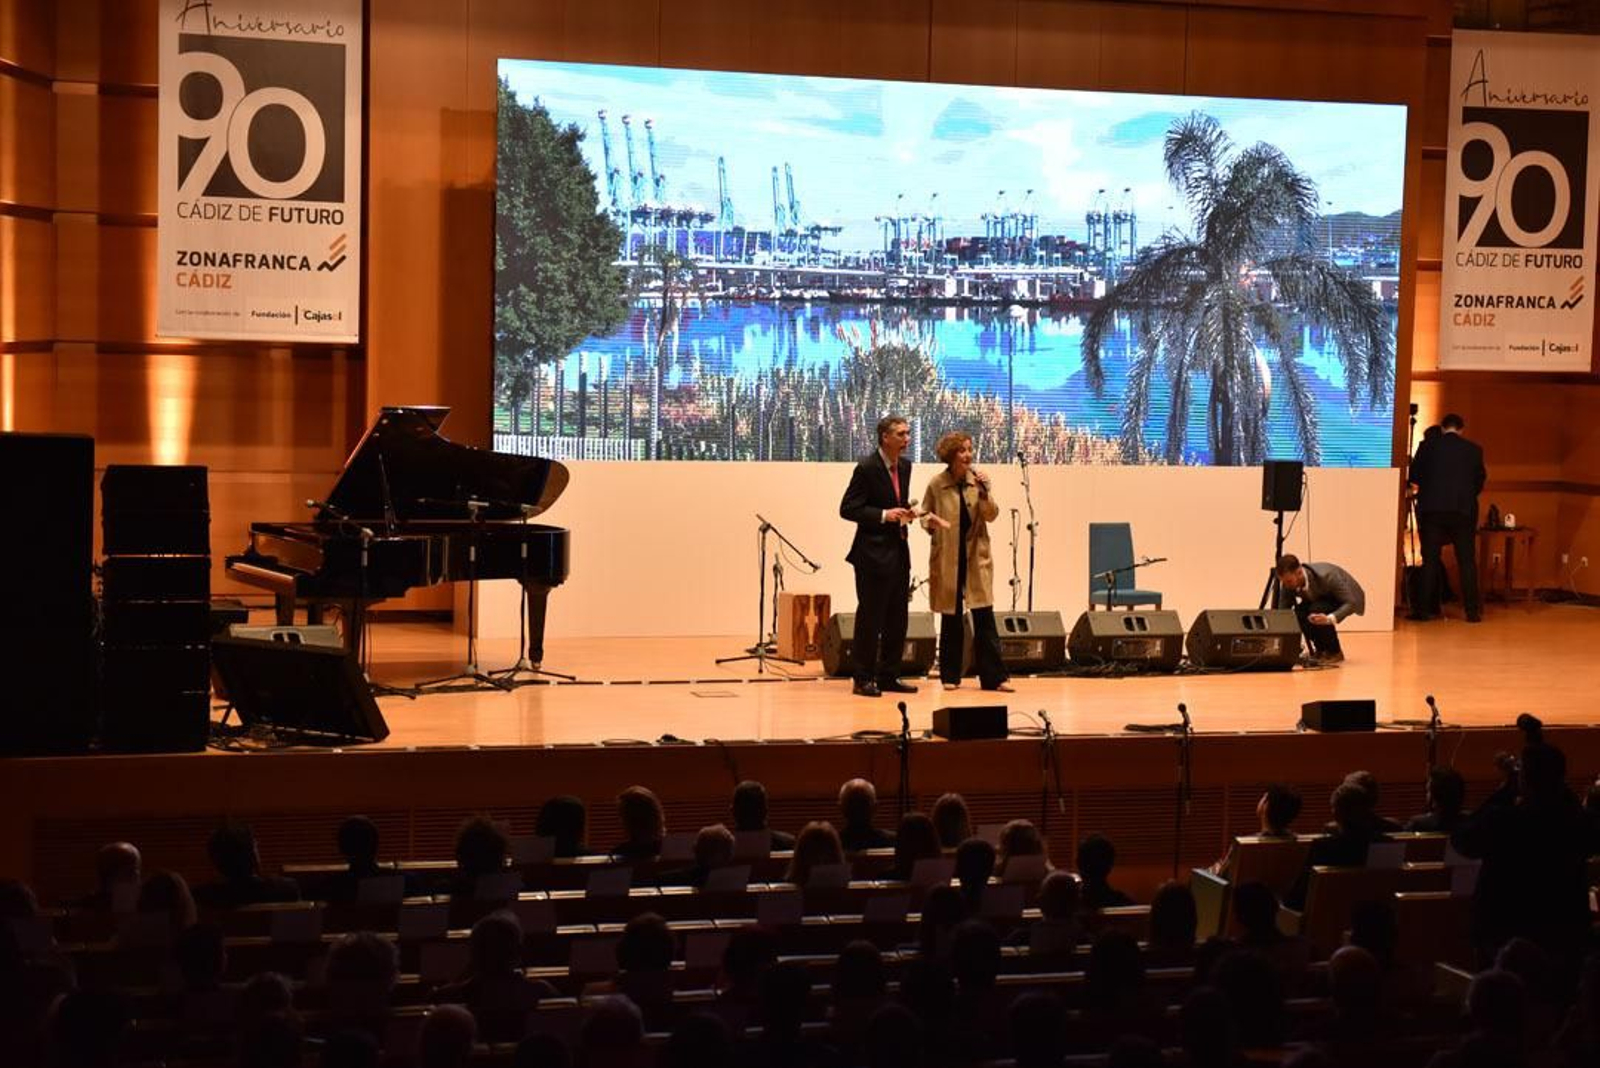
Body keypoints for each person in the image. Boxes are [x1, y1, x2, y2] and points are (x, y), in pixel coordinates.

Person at [918, 431, 1011, 692]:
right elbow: (925, 515)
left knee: (984, 616)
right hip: (948, 556)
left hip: (974, 557)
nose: (968, 455)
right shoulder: (937, 484)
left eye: (970, 449)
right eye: (962, 450)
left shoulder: (977, 483)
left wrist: (984, 493)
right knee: (952, 616)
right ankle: (950, 675)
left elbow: (991, 515)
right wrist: (930, 523)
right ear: (950, 455)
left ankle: (994, 678)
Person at [840, 415, 918, 698]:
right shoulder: (866, 467)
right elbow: (848, 508)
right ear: (885, 437)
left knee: (898, 619)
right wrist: (885, 515)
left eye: (908, 433)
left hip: (898, 551)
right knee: (870, 619)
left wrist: (907, 512)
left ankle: (889, 675)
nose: (906, 439)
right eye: (900, 434)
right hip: (871, 555)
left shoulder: (906, 466)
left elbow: (895, 501)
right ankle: (862, 678)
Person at [1409, 412, 1486, 623]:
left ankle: (1424, 611)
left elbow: (1414, 476)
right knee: (1467, 562)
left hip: (1432, 511)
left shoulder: (1427, 447)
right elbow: (1479, 481)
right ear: (1461, 429)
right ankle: (1472, 612)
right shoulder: (1474, 450)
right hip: (1463, 511)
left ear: (1443, 428)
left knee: (1430, 561)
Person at [1273, 553, 1365, 664]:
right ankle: (1321, 650)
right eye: (1283, 582)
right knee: (1299, 613)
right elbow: (1283, 612)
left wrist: (1329, 619)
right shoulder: (1288, 583)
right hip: (1319, 600)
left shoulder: (1328, 576)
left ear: (1299, 572)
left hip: (1346, 598)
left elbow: (1351, 602)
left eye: (1288, 582)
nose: (1286, 585)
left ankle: (1334, 652)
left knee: (1317, 609)